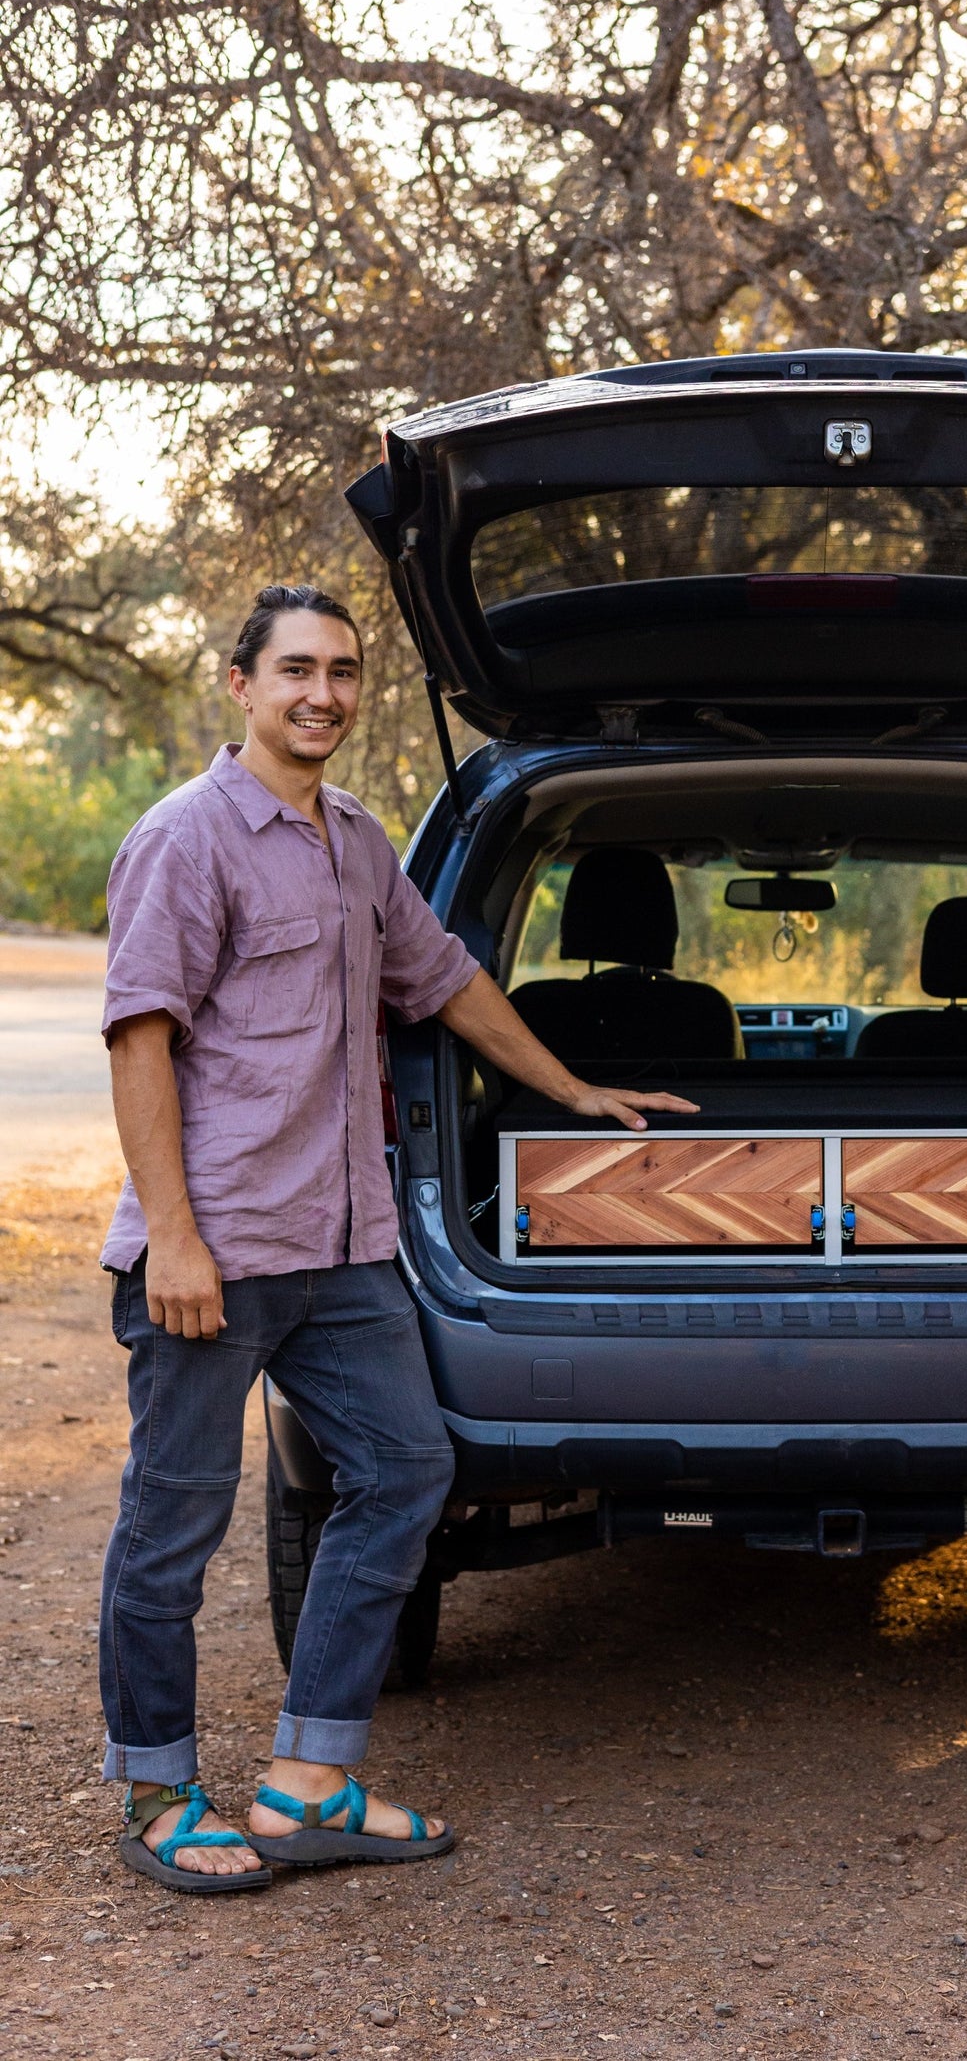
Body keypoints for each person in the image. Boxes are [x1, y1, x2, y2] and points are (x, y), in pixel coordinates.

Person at [98, 582, 697, 1893]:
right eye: (298, 668)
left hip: (345, 1247)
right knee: (170, 1532)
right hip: (217, 1249)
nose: (324, 692)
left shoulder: (359, 840)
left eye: (345, 671)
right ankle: (155, 1789)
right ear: (240, 683)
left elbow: (446, 981)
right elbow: (140, 1037)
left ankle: (306, 1780)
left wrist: (572, 1090)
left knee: (405, 1473)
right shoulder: (184, 837)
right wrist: (177, 1242)